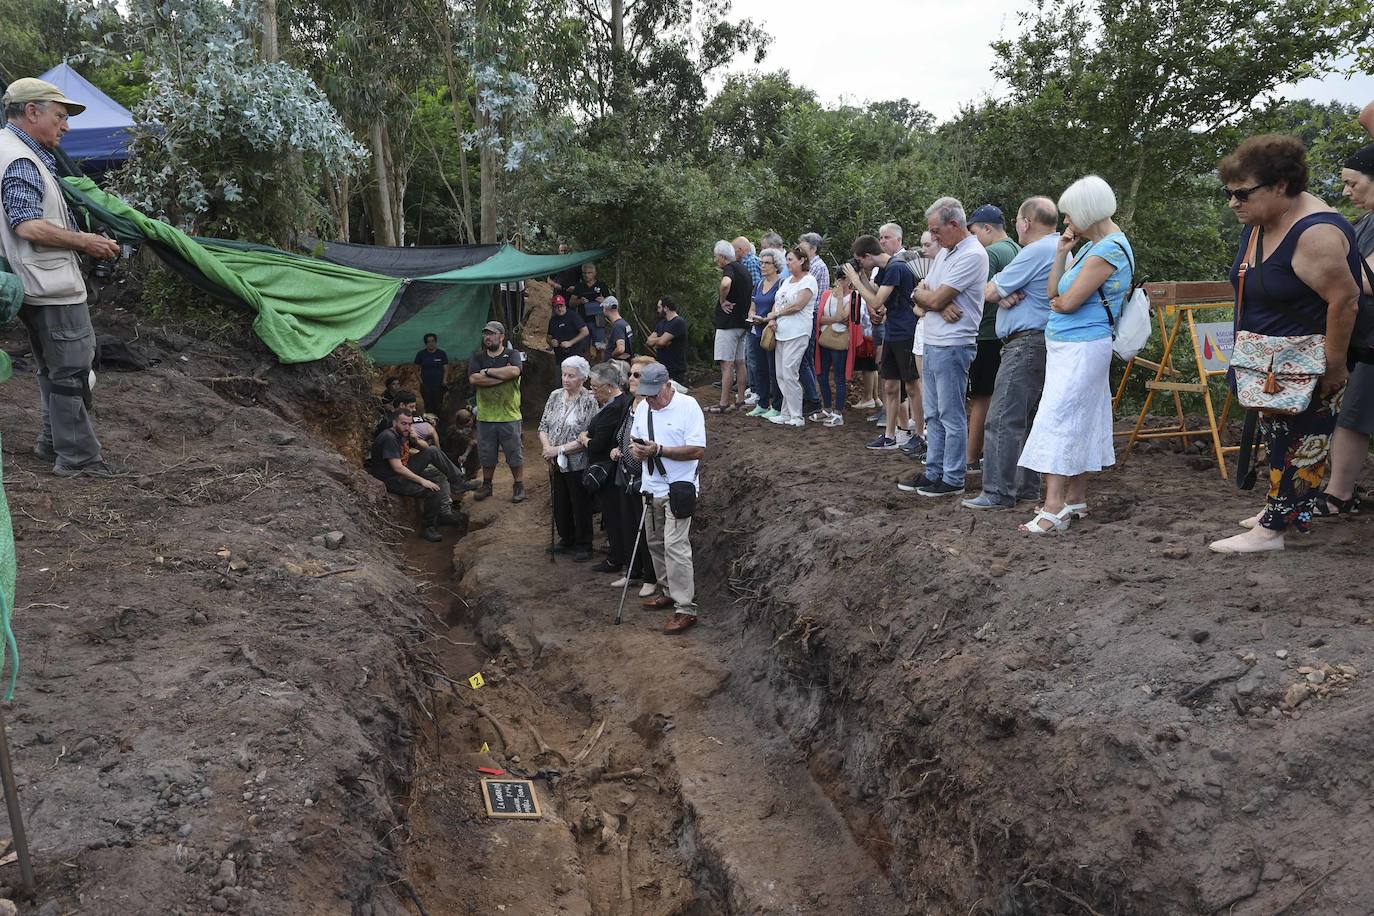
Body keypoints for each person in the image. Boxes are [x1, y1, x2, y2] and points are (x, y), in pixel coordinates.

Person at [1208, 137, 1361, 553]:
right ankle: (1283, 508)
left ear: (1280, 185)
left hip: (1308, 359)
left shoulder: (1316, 234)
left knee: (1304, 439)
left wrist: (1333, 365)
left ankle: (1273, 531)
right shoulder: (1264, 219)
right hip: (1272, 361)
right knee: (1280, 435)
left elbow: (1345, 299)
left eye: (1242, 193)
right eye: (1228, 193)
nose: (1233, 203)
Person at [1, 78, 124, 477]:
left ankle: (51, 442)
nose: (65, 126)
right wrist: (85, 241)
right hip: (48, 284)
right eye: (60, 116)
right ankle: (79, 459)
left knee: (52, 368)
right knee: (73, 371)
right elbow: (27, 225)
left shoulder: (13, 151)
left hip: (32, 282)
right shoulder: (19, 159)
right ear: (32, 112)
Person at [1016, 176, 1135, 533]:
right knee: (1082, 417)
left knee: (1058, 418)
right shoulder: (1089, 248)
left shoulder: (1107, 251)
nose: (1066, 223)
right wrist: (1060, 254)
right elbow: (1053, 292)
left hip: (1082, 346)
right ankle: (1075, 499)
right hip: (1074, 345)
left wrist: (1058, 302)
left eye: (1070, 216)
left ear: (1087, 211)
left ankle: (1053, 507)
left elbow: (1065, 303)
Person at [962, 197, 1059, 510]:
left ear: (1025, 222)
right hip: (1042, 341)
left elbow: (990, 291)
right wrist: (1002, 291)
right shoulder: (1057, 248)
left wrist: (999, 291)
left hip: (1025, 342)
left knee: (1002, 417)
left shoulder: (1036, 250)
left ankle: (997, 491)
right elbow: (997, 292)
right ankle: (1024, 487)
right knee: (1027, 418)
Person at [898, 198, 987, 497]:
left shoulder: (972, 254)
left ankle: (952, 478)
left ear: (954, 224)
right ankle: (934, 471)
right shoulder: (946, 253)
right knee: (934, 413)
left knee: (950, 413)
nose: (933, 238)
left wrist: (935, 300)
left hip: (954, 344)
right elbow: (920, 290)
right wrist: (931, 299)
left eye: (937, 231)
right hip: (935, 342)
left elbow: (930, 298)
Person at [1313, 142, 1374, 518]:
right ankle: (1339, 494)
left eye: (1354, 183)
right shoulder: (1365, 222)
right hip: (1365, 340)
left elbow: (1366, 280)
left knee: (1354, 414)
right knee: (1352, 414)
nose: (1347, 192)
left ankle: (1338, 494)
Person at [631, 362, 706, 634]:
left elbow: (698, 450)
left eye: (654, 394)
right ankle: (668, 590)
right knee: (656, 542)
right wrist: (637, 451)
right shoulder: (643, 407)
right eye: (646, 394)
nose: (650, 399)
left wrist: (659, 450)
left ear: (668, 384)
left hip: (679, 487)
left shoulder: (689, 406)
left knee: (676, 546)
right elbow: (634, 440)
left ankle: (685, 607)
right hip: (651, 488)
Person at [845, 235, 917, 450]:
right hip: (893, 332)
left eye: (860, 260)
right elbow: (877, 293)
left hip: (906, 331)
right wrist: (862, 276)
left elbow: (876, 301)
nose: (859, 264)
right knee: (890, 385)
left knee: (911, 386)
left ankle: (915, 433)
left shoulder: (896, 267)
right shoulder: (886, 268)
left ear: (867, 256)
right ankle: (891, 434)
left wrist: (856, 281)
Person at [965, 205, 1022, 475]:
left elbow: (975, 293)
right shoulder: (1016, 249)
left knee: (981, 397)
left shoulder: (990, 253)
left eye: (974, 231)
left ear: (987, 228)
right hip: (1006, 333)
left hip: (987, 333)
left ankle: (970, 457)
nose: (973, 238)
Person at [369, 410, 464, 542]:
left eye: (409, 424)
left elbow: (425, 447)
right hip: (392, 478)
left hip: (405, 467)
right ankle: (428, 527)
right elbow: (397, 468)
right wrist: (422, 481)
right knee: (433, 490)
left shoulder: (403, 433)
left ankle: (458, 481)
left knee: (432, 450)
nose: (407, 427)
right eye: (403, 423)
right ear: (395, 422)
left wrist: (416, 440)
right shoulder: (389, 437)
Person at [539, 355, 599, 561]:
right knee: (560, 502)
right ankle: (567, 538)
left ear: (582, 378)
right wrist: (548, 448)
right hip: (554, 461)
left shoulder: (589, 400)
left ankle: (584, 544)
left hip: (578, 462)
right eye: (564, 374)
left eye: (571, 376)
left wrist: (559, 450)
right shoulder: (555, 395)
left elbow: (588, 436)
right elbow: (543, 426)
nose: (565, 379)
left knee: (579, 503)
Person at [611, 355, 660, 596]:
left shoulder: (652, 407)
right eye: (630, 374)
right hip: (625, 474)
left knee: (648, 529)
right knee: (629, 525)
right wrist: (616, 448)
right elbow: (621, 434)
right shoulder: (628, 404)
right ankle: (632, 572)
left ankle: (651, 578)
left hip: (646, 477)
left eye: (637, 375)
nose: (631, 378)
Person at [578, 361, 632, 573]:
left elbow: (599, 444)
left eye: (594, 388)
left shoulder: (615, 408)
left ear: (609, 386)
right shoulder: (616, 404)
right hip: (610, 468)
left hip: (609, 470)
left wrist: (584, 439)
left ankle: (616, 558)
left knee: (613, 516)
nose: (592, 393)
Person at [467, 320, 526, 503]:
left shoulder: (512, 354)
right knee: (486, 453)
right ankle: (487, 485)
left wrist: (488, 372)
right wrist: (501, 376)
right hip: (485, 416)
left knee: (514, 453)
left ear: (501, 337)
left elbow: (515, 371)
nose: (488, 337)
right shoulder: (478, 357)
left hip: (509, 415)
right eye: (486, 334)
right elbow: (474, 379)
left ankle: (518, 485)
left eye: (491, 334)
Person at [898, 230, 942, 460]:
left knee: (932, 391)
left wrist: (924, 302)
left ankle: (929, 439)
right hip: (921, 332)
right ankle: (922, 435)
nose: (923, 250)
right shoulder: (926, 272)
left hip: (936, 335)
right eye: (922, 245)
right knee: (921, 385)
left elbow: (930, 304)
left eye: (927, 245)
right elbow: (916, 308)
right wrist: (922, 301)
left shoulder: (943, 269)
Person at [764, 247, 819, 427]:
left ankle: (797, 415)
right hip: (781, 332)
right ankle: (786, 412)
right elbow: (777, 302)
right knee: (781, 373)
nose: (788, 263)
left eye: (791, 259)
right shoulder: (787, 281)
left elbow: (798, 305)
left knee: (790, 372)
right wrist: (772, 319)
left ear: (802, 260)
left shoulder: (809, 281)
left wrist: (776, 315)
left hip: (798, 332)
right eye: (787, 260)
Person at [814, 268, 860, 427]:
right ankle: (827, 408)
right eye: (838, 277)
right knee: (821, 375)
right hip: (824, 338)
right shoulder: (827, 295)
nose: (841, 281)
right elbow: (819, 319)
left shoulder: (854, 296)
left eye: (844, 278)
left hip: (840, 341)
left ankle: (838, 413)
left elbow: (844, 317)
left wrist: (840, 299)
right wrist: (835, 319)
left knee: (839, 378)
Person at [709, 240, 751, 413]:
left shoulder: (730, 268)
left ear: (721, 256)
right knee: (740, 362)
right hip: (742, 323)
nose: (715, 260)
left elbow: (725, 283)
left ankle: (724, 403)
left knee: (726, 365)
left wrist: (722, 300)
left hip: (728, 324)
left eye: (716, 257)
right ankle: (740, 400)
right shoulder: (744, 269)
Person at [746, 248, 786, 418]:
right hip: (756, 330)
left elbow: (780, 306)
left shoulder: (782, 284)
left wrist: (765, 319)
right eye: (761, 262)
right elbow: (753, 306)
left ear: (776, 265)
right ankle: (762, 403)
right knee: (759, 369)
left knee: (773, 369)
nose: (762, 266)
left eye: (766, 263)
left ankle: (777, 405)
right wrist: (752, 316)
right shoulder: (759, 284)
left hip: (771, 331)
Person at [798, 233, 828, 420]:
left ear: (813, 248)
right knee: (804, 359)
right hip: (807, 314)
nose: (800, 250)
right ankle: (810, 397)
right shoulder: (810, 267)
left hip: (810, 315)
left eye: (803, 247)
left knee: (805, 358)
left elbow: (817, 299)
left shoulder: (818, 267)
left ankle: (813, 399)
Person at [734, 237, 764, 407]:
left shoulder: (750, 262)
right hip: (752, 314)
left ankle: (756, 390)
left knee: (752, 355)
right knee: (749, 354)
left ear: (740, 250)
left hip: (755, 316)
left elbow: (753, 288)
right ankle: (754, 389)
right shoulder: (748, 261)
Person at [646, 296, 689, 383]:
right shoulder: (661, 323)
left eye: (659, 307)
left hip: (675, 370)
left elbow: (661, 342)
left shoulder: (678, 322)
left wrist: (659, 341)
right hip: (662, 368)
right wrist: (662, 339)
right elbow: (649, 341)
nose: (658, 310)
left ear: (665, 308)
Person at [569, 262, 611, 352]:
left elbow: (611, 303)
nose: (587, 275)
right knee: (584, 347)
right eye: (584, 273)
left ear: (595, 273)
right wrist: (580, 301)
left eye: (589, 273)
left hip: (598, 320)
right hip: (583, 321)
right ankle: (586, 365)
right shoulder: (579, 286)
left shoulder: (601, 285)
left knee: (600, 347)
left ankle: (600, 365)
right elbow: (571, 303)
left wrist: (604, 301)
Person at [411, 332, 449, 417]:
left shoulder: (441, 353)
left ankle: (438, 422)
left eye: (432, 341)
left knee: (438, 404)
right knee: (428, 405)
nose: (431, 343)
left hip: (439, 384)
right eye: (428, 342)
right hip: (426, 384)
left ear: (435, 342)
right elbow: (416, 369)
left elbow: (446, 368)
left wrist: (444, 380)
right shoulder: (421, 354)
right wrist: (421, 381)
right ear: (426, 343)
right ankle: (429, 422)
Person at [547, 293, 590, 358]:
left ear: (565, 305)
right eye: (556, 307)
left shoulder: (573, 316)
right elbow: (549, 336)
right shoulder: (553, 320)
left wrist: (570, 342)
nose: (559, 309)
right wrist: (551, 342)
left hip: (575, 353)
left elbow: (585, 331)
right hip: (560, 355)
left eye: (561, 306)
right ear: (553, 308)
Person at [602, 296, 633, 363]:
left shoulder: (617, 326)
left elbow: (620, 349)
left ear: (606, 309)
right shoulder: (624, 323)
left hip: (616, 366)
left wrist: (611, 357)